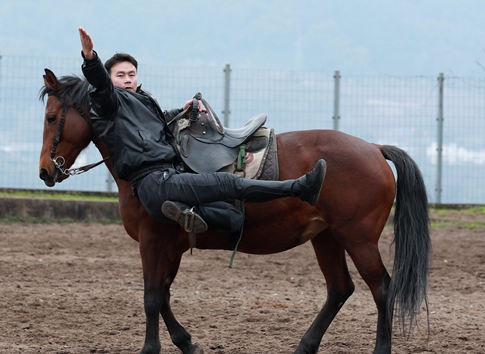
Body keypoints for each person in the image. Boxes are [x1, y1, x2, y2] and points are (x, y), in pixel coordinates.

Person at [78, 27, 326, 234]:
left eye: (132, 74)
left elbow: (158, 120)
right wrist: (90, 58)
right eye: (120, 75)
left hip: (167, 180)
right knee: (231, 183)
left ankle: (185, 213)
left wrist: (183, 109)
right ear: (110, 81)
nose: (128, 79)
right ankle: (300, 188)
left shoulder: (140, 102)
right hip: (154, 181)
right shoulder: (110, 103)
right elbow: (100, 86)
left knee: (233, 217)